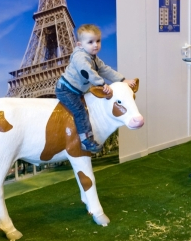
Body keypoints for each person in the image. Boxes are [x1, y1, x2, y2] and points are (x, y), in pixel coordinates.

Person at [55, 24, 136, 153]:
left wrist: (122, 79)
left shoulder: (94, 58)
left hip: (77, 90)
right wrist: (102, 84)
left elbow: (105, 69)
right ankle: (86, 141)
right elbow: (86, 71)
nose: (95, 45)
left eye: (98, 41)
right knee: (80, 112)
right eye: (90, 42)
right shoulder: (79, 56)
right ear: (80, 44)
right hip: (66, 90)